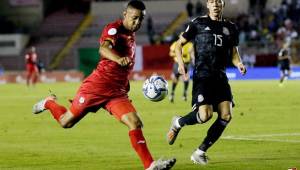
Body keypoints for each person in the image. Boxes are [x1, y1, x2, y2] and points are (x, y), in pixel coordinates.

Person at [32, 1, 176, 170]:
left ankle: (150, 165)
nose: (137, 23)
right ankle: (49, 102)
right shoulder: (113, 29)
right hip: (97, 86)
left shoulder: (131, 33)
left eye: (141, 20)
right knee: (66, 122)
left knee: (135, 123)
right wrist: (118, 58)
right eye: (134, 18)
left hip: (116, 92)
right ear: (125, 15)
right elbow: (103, 49)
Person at [166, 0, 247, 165]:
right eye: (212, 2)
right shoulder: (198, 23)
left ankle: (200, 152)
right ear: (208, 5)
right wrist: (181, 64)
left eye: (218, 2)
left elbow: (233, 52)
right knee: (205, 116)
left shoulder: (231, 27)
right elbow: (178, 45)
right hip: (203, 75)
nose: (215, 4)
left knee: (226, 115)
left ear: (222, 5)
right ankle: (178, 122)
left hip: (221, 77)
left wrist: (239, 63)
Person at [169, 38, 194, 103]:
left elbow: (192, 54)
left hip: (187, 63)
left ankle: (184, 94)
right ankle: (172, 93)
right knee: (175, 78)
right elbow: (171, 53)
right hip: (178, 63)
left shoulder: (190, 45)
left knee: (186, 78)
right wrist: (179, 54)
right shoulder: (175, 44)